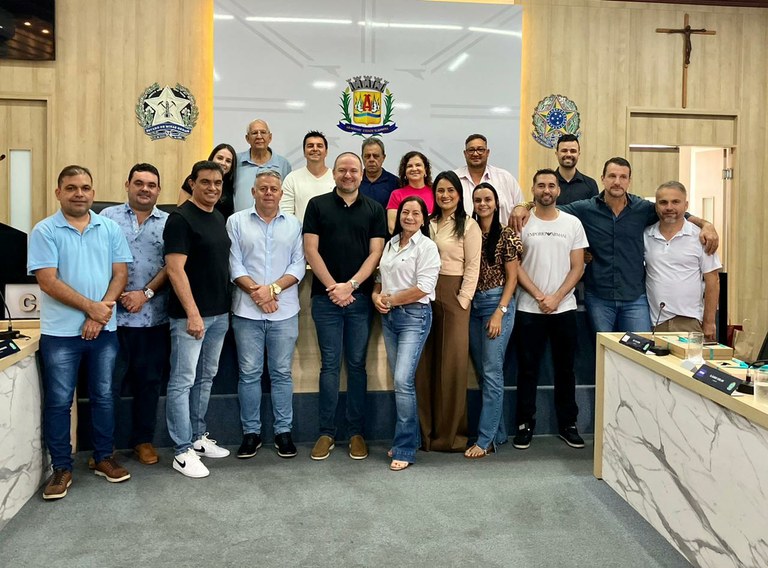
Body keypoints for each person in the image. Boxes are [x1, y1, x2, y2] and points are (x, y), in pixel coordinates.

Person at [512, 157, 719, 333]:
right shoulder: (585, 209)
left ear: (629, 181)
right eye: (612, 176)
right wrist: (524, 205)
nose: (617, 182)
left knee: (639, 353)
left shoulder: (643, 209)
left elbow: (674, 212)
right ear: (602, 178)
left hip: (635, 298)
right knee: (604, 355)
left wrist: (705, 224)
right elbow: (549, 206)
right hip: (599, 297)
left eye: (623, 177)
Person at [29, 165, 133, 500]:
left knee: (104, 396)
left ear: (93, 192)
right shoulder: (45, 231)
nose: (79, 193)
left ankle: (103, 457)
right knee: (60, 401)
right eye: (71, 188)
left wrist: (100, 314)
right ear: (58, 192)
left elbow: (120, 274)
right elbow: (48, 281)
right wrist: (92, 308)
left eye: (85, 187)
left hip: (104, 330)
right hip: (60, 334)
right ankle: (61, 468)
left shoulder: (109, 228)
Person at [303, 152, 387, 461]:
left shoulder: (374, 209)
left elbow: (376, 253)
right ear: (334, 173)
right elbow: (310, 250)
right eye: (342, 170)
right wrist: (333, 288)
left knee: (356, 365)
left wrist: (350, 286)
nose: (348, 175)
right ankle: (326, 432)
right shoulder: (317, 205)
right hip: (325, 299)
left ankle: (355, 433)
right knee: (329, 365)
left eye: (353, 170)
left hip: (360, 300)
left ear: (361, 175)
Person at [227, 170, 305, 459]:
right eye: (263, 188)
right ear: (253, 192)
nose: (269, 193)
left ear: (281, 194)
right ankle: (252, 433)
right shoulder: (236, 222)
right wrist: (257, 294)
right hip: (246, 312)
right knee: (249, 374)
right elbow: (234, 263)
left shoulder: (294, 225)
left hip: (284, 311)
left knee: (282, 373)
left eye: (274, 188)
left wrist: (271, 290)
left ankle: (283, 432)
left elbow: (298, 264)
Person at [164, 160, 232, 478]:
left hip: (218, 314)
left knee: (205, 379)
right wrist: (193, 313)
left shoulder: (217, 216)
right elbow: (175, 269)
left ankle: (196, 437)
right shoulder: (180, 219)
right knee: (182, 381)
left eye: (217, 183)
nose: (212, 188)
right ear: (192, 183)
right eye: (205, 182)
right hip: (190, 318)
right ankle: (181, 451)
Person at [513, 169, 589, 450]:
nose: (546, 190)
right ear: (533, 189)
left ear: (558, 190)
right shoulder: (521, 221)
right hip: (528, 307)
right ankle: (524, 424)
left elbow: (578, 266)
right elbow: (514, 264)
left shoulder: (572, 223)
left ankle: (568, 424)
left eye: (551, 185)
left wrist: (556, 297)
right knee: (527, 370)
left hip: (564, 308)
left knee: (565, 369)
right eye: (541, 185)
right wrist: (538, 295)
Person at [101, 163, 169, 466]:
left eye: (151, 185)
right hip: (111, 319)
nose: (145, 189)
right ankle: (105, 447)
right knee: (108, 386)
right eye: (139, 183)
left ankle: (143, 441)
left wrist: (145, 293)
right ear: (127, 184)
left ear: (159, 190)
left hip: (153, 317)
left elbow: (172, 266)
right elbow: (97, 261)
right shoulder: (107, 218)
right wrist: (115, 296)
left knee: (149, 383)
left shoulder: (169, 222)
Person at [372, 196, 440, 471]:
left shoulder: (427, 247)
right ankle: (408, 438)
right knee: (400, 381)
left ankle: (405, 448)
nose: (409, 217)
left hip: (415, 316)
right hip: (389, 318)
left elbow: (424, 287)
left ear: (424, 219)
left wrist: (390, 300)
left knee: (402, 380)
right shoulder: (390, 244)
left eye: (416, 213)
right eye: (405, 212)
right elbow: (380, 278)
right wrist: (376, 297)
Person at [416, 170, 481, 452]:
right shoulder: (427, 223)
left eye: (450, 190)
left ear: (459, 194)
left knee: (452, 365)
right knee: (425, 364)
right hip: (424, 294)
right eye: (440, 190)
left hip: (455, 295)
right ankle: (426, 434)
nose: (445, 195)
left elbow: (473, 265)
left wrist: (463, 299)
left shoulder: (468, 225)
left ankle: (451, 436)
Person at [465, 183, 522, 459]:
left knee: (492, 371)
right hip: (473, 305)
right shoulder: (471, 232)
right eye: (478, 200)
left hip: (497, 303)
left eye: (487, 199)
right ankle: (498, 434)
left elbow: (513, 278)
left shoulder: (507, 234)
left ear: (496, 203)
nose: (483, 204)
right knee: (483, 372)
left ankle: (485, 439)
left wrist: (500, 311)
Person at [644, 181, 722, 340]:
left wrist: (709, 322)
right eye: (663, 202)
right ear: (656, 206)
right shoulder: (646, 235)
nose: (669, 207)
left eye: (675, 202)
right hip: (654, 322)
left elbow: (713, 281)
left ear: (686, 205)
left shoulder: (701, 237)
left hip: (689, 322)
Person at [454, 134, 523, 226]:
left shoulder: (505, 178)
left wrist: (522, 207)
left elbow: (521, 207)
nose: (475, 154)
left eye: (480, 149)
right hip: (462, 234)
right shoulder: (454, 179)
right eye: (471, 150)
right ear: (465, 153)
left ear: (487, 152)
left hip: (503, 234)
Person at [233, 118, 292, 211]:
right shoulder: (236, 161)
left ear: (270, 137)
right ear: (247, 138)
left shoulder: (283, 164)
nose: (259, 136)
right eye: (254, 133)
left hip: (273, 219)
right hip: (240, 219)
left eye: (263, 132)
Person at [280, 131, 334, 223]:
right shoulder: (292, 178)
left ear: (326, 152)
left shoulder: (337, 178)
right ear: (304, 152)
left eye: (319, 146)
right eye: (310, 146)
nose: (315, 149)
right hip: (301, 232)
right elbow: (286, 214)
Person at [177, 143, 238, 218]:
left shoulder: (232, 182)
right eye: (220, 158)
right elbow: (181, 209)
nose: (223, 163)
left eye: (228, 161)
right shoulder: (195, 178)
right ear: (212, 158)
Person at [386, 151, 434, 234]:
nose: (414, 169)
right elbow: (392, 227)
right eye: (409, 166)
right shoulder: (396, 194)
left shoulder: (435, 193)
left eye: (418, 165)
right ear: (404, 171)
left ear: (425, 169)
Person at [552, 134, 599, 205]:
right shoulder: (547, 184)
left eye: (573, 151)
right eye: (564, 151)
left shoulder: (590, 184)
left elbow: (595, 211)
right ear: (557, 153)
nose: (568, 154)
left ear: (578, 154)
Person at [359, 137, 400, 210]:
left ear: (383, 157)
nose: (371, 160)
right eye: (367, 156)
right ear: (362, 157)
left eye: (376, 156)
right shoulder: (354, 181)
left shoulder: (395, 183)